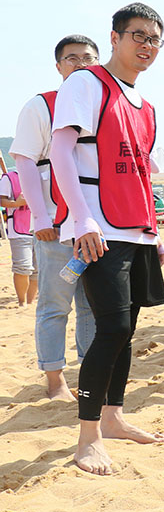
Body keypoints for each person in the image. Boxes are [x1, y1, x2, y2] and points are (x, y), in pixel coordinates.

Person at [49, 2, 164, 475]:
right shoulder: (86, 83)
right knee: (111, 328)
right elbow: (61, 151)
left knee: (128, 330)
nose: (146, 46)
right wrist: (81, 219)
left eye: (154, 39)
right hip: (97, 225)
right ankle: (88, 435)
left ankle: (115, 416)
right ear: (115, 38)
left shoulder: (144, 105)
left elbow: (144, 173)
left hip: (135, 228)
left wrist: (152, 230)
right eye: (138, 35)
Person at [11, 34, 98, 400]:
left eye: (88, 59)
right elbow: (26, 161)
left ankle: (92, 375)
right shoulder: (41, 106)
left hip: (99, 225)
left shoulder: (103, 104)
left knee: (95, 306)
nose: (81, 65)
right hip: (56, 226)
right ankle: (55, 380)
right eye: (72, 59)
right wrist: (42, 220)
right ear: (59, 65)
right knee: (54, 305)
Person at [0, 168, 37, 306]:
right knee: (23, 267)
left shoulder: (41, 172)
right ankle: (22, 302)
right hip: (19, 229)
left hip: (41, 227)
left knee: (37, 270)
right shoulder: (9, 178)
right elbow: (2, 201)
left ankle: (30, 302)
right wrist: (17, 203)